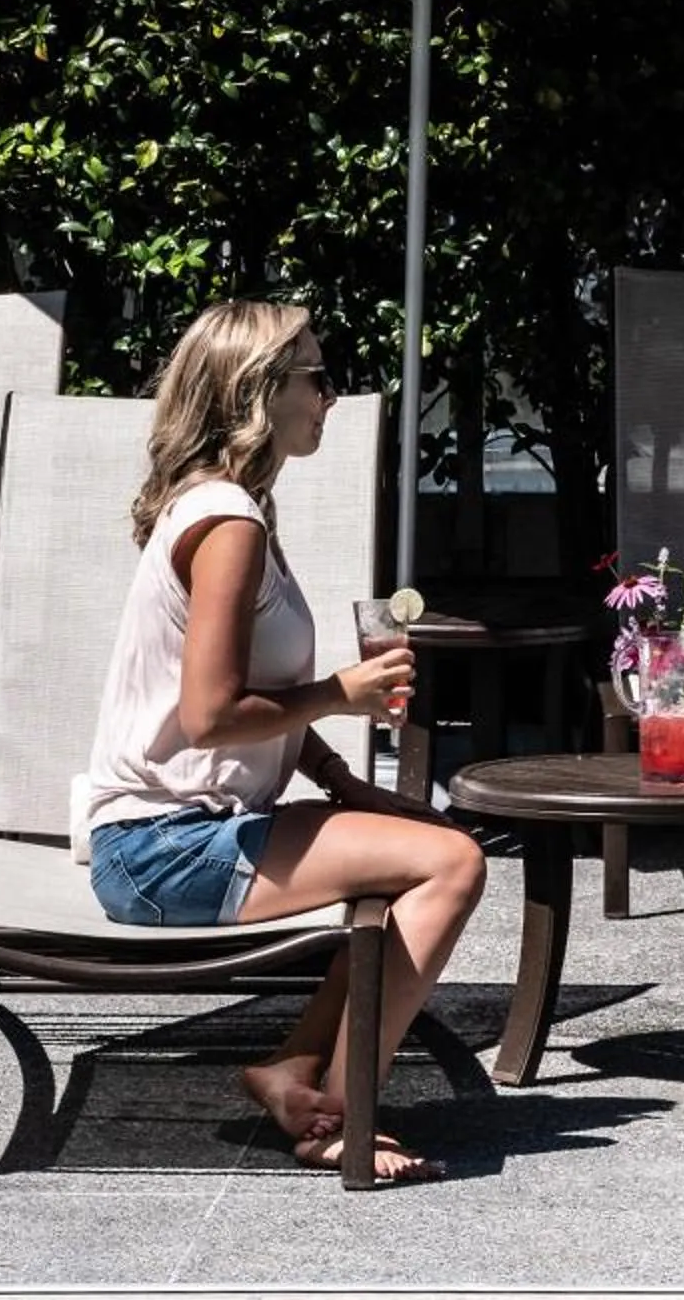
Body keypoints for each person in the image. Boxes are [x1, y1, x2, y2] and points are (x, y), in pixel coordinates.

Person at [77, 299, 486, 1184]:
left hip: (181, 831)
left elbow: (253, 697)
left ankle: (294, 1071)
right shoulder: (228, 524)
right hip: (163, 848)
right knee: (452, 865)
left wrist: (342, 779)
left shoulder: (233, 509)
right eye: (317, 377)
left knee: (422, 853)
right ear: (260, 390)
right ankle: (344, 1115)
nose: (330, 396)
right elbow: (213, 714)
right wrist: (342, 693)